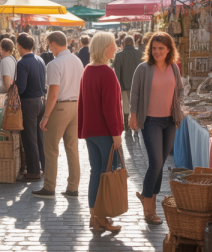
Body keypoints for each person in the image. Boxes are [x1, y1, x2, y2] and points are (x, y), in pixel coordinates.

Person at [129, 32, 184, 224]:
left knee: (160, 165)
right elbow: (134, 93)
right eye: (154, 48)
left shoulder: (173, 68)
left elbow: (180, 90)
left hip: (169, 121)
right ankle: (149, 210)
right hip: (151, 121)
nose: (157, 52)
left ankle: (148, 197)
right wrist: (133, 115)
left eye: (161, 48)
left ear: (169, 49)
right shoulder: (143, 69)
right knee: (156, 162)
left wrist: (177, 106)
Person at [78, 32, 123, 232]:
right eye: (113, 45)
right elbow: (109, 108)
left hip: (91, 132)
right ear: (105, 47)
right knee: (106, 174)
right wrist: (116, 133)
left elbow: (83, 104)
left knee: (97, 173)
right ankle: (101, 217)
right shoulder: (106, 72)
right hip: (105, 132)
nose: (116, 48)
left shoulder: (88, 70)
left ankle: (94, 216)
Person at [32, 31, 84, 199]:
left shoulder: (54, 64)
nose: (50, 49)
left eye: (49, 45)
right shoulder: (77, 60)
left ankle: (49, 187)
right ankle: (73, 187)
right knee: (72, 148)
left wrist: (45, 116)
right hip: (76, 106)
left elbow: (53, 93)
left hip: (60, 107)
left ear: (53, 44)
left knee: (51, 148)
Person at [15, 33, 46, 181]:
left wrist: (12, 86)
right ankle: (44, 166)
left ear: (20, 46)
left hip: (29, 103)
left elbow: (21, 88)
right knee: (39, 137)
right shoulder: (39, 59)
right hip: (40, 101)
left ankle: (34, 171)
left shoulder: (22, 63)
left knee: (30, 138)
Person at [113, 36, 143, 134]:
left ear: (124, 43)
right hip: (137, 85)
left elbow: (117, 73)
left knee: (125, 105)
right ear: (133, 43)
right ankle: (136, 123)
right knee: (136, 104)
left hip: (123, 84)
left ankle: (126, 125)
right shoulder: (140, 54)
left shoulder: (119, 55)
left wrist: (118, 86)